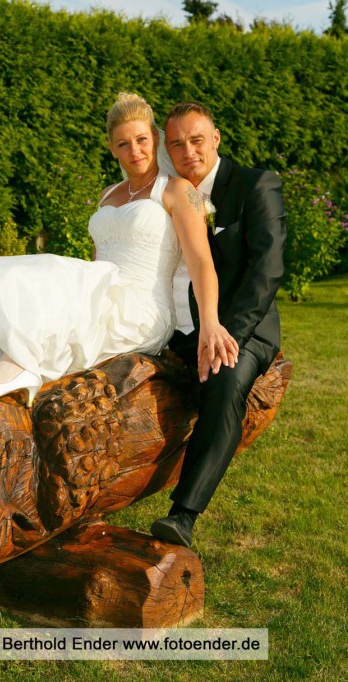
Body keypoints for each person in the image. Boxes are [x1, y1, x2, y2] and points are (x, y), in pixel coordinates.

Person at [0, 92, 238, 410]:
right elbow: (97, 261)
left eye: (141, 139)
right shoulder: (107, 195)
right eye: (123, 144)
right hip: (102, 295)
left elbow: (200, 261)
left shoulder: (178, 191)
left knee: (51, 270)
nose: (134, 151)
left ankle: (17, 367)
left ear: (155, 137)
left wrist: (211, 323)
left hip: (142, 310)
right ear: (112, 148)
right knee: (22, 275)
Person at [150, 102, 286, 548]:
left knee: (225, 381)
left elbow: (266, 271)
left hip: (243, 327)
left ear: (216, 138)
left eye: (196, 139)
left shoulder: (255, 185)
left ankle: (183, 515)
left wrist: (226, 335)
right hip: (178, 327)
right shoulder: (172, 193)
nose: (188, 150)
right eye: (176, 143)